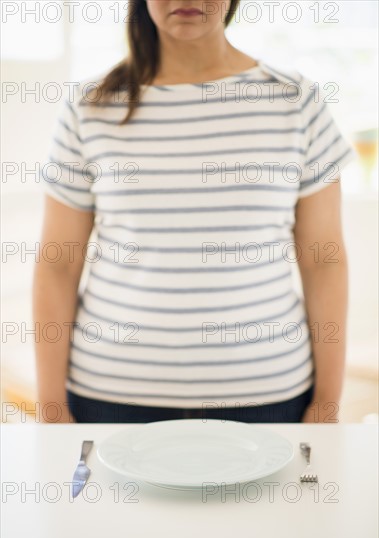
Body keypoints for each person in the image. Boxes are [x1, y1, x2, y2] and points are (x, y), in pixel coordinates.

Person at [33, 0, 356, 424]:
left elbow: (323, 261)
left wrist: (327, 404)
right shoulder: (89, 107)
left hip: (267, 399)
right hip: (110, 400)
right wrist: (51, 408)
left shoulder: (296, 102)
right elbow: (58, 264)